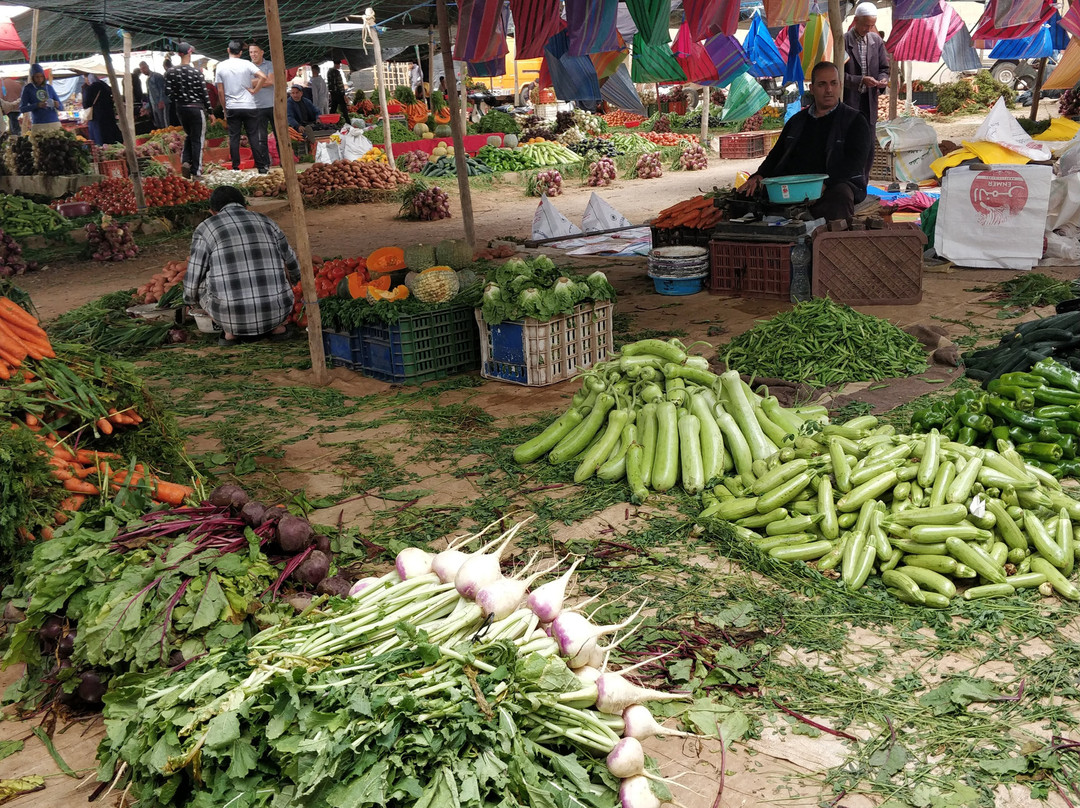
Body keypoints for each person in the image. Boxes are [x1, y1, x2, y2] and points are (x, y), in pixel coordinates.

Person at [740, 62, 872, 223]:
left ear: (840, 86)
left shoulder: (855, 120)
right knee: (745, 197)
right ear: (812, 88)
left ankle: (824, 243)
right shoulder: (796, 121)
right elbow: (776, 155)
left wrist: (824, 184)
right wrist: (759, 175)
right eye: (822, 84)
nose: (829, 90)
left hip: (832, 186)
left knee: (840, 196)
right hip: (793, 187)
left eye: (833, 83)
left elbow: (855, 164)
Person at [184, 185, 300, 346]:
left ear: (212, 212)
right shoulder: (267, 222)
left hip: (229, 317)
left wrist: (189, 300)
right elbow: (291, 260)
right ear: (246, 207)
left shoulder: (206, 227)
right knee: (282, 270)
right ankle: (278, 328)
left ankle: (230, 333)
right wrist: (294, 281)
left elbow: (194, 273)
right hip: (277, 312)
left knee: (202, 280)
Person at [844, 1, 890, 177]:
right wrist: (860, 80)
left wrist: (882, 79)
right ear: (856, 20)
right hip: (850, 100)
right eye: (865, 25)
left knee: (869, 144)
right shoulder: (844, 41)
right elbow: (840, 76)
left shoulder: (876, 40)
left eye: (871, 25)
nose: (868, 29)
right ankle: (851, 179)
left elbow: (884, 69)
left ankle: (864, 180)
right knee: (851, 141)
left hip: (869, 101)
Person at [215, 39, 270, 172]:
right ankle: (261, 167)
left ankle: (236, 167)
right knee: (253, 137)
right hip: (249, 106)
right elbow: (263, 76)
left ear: (228, 50)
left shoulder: (221, 66)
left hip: (232, 107)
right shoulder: (246, 64)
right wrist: (255, 91)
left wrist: (224, 108)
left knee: (234, 137)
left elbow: (220, 91)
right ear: (240, 52)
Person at [166, 42, 213, 177]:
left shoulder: (171, 72)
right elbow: (204, 94)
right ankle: (196, 172)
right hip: (196, 109)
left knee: (190, 135)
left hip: (181, 109)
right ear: (190, 53)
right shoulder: (196, 73)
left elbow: (168, 92)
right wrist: (210, 112)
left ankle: (186, 161)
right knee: (198, 139)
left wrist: (180, 97)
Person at [248, 42, 275, 172]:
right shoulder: (247, 67)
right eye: (251, 52)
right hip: (257, 107)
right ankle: (265, 165)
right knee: (261, 138)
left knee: (279, 136)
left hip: (273, 106)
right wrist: (263, 80)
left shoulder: (269, 65)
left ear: (262, 52)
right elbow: (245, 83)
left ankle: (284, 163)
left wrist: (254, 82)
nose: (253, 54)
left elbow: (271, 81)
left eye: (255, 52)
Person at [81, 74, 123, 145]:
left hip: (97, 117)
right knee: (110, 138)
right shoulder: (105, 86)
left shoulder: (89, 89)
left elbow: (86, 104)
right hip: (109, 116)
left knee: (99, 139)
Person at [19, 64, 61, 130]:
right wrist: (37, 105)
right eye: (37, 77)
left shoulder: (49, 87)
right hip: (38, 124)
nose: (40, 79)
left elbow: (61, 107)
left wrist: (57, 105)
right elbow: (22, 109)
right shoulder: (28, 88)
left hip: (54, 122)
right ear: (32, 77)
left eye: (41, 76)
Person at [141, 60, 170, 130]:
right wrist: (146, 107)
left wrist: (161, 101)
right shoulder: (148, 80)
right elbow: (150, 95)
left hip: (161, 103)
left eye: (143, 68)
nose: (143, 71)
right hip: (154, 105)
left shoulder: (157, 76)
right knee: (159, 124)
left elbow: (162, 89)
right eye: (141, 69)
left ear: (147, 67)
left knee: (165, 124)